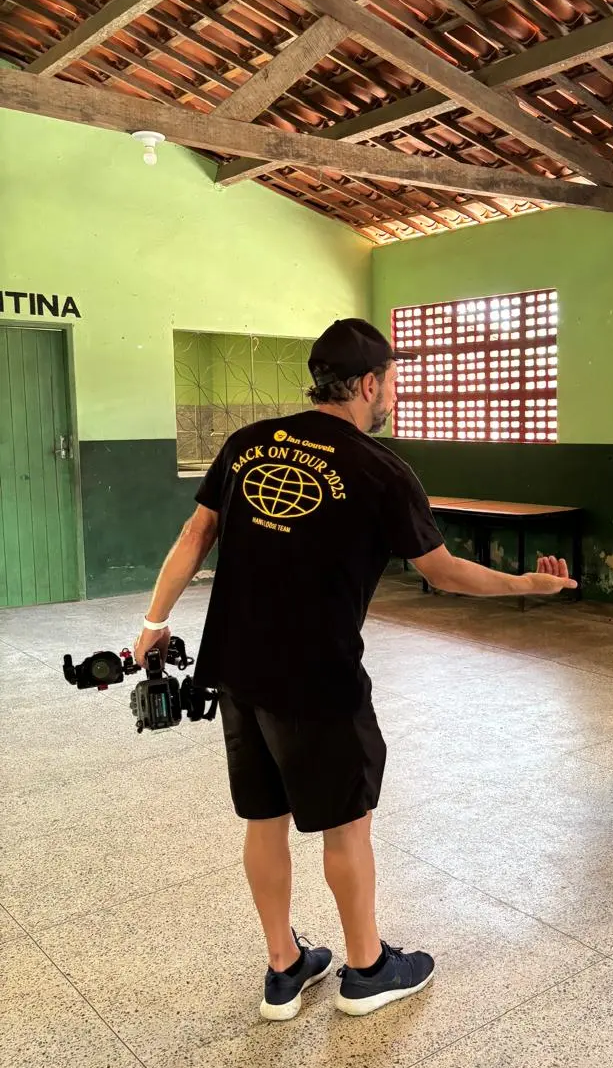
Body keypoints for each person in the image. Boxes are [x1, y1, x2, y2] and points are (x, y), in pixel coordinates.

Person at [134, 318, 575, 1020]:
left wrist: (154, 623)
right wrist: (529, 587)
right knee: (347, 825)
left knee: (265, 818)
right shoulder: (381, 469)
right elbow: (444, 573)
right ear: (369, 384)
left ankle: (284, 968)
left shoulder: (248, 445)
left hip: (236, 670)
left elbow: (196, 533)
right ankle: (366, 969)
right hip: (318, 679)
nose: (391, 394)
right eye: (391, 381)